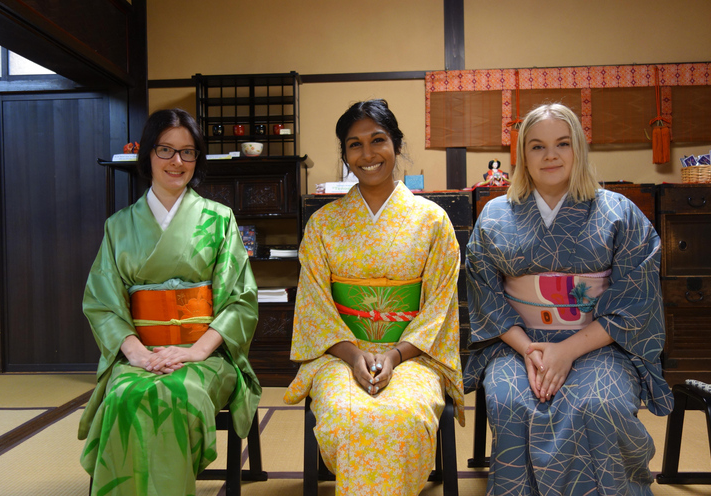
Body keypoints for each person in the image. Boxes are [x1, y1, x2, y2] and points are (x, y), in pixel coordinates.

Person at [463, 103, 673, 495]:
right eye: (537, 146)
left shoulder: (618, 212)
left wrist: (568, 351)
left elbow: (634, 299)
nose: (551, 155)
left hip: (598, 342)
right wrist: (530, 350)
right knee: (510, 401)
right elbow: (484, 295)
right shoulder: (494, 215)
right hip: (520, 345)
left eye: (562, 143)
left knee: (600, 404)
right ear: (523, 155)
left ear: (579, 148)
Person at [284, 99, 465, 495]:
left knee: (402, 414)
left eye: (377, 140)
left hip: (412, 355)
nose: (367, 154)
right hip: (340, 354)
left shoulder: (433, 221)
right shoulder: (323, 224)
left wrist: (396, 354)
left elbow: (439, 307)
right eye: (354, 145)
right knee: (347, 415)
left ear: (396, 145)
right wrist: (352, 355)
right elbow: (314, 303)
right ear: (345, 153)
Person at [78, 108, 261, 496]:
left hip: (204, 354)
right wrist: (138, 355)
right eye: (166, 150)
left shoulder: (219, 218)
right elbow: (103, 303)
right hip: (140, 353)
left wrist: (196, 352)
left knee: (180, 392)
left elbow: (240, 300)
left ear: (198, 159)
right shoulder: (119, 226)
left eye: (188, 152)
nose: (177, 162)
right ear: (147, 155)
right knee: (126, 394)